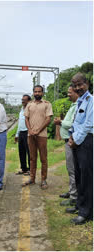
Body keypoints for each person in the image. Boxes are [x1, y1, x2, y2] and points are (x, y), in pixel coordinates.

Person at [67, 73, 93, 225]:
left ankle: (86, 212)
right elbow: (76, 122)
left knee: (86, 178)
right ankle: (79, 205)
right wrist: (71, 136)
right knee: (78, 175)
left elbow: (88, 124)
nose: (77, 88)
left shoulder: (91, 101)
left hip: (87, 142)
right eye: (75, 85)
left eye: (80, 84)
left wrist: (75, 140)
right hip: (77, 141)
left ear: (87, 83)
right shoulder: (80, 101)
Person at [23, 85, 53, 189]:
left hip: (42, 135)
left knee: (43, 158)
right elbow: (26, 119)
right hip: (30, 135)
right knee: (32, 158)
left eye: (39, 92)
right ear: (33, 93)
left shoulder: (47, 104)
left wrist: (38, 130)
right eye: (35, 92)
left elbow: (48, 119)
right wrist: (30, 130)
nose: (37, 93)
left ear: (42, 93)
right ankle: (32, 178)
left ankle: (44, 180)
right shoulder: (29, 105)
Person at [53, 85, 78, 207]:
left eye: (70, 92)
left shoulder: (78, 105)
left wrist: (61, 122)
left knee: (72, 169)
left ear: (76, 93)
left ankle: (74, 196)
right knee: (71, 168)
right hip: (68, 141)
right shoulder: (73, 105)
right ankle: (72, 191)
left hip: (72, 141)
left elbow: (73, 123)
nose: (68, 94)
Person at [14, 95, 32, 175]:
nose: (22, 101)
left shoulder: (31, 109)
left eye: (24, 100)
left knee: (29, 151)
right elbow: (20, 123)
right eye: (22, 100)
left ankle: (30, 169)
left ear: (29, 101)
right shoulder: (21, 110)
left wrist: (30, 132)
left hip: (27, 132)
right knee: (21, 151)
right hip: (21, 132)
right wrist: (17, 134)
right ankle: (23, 168)